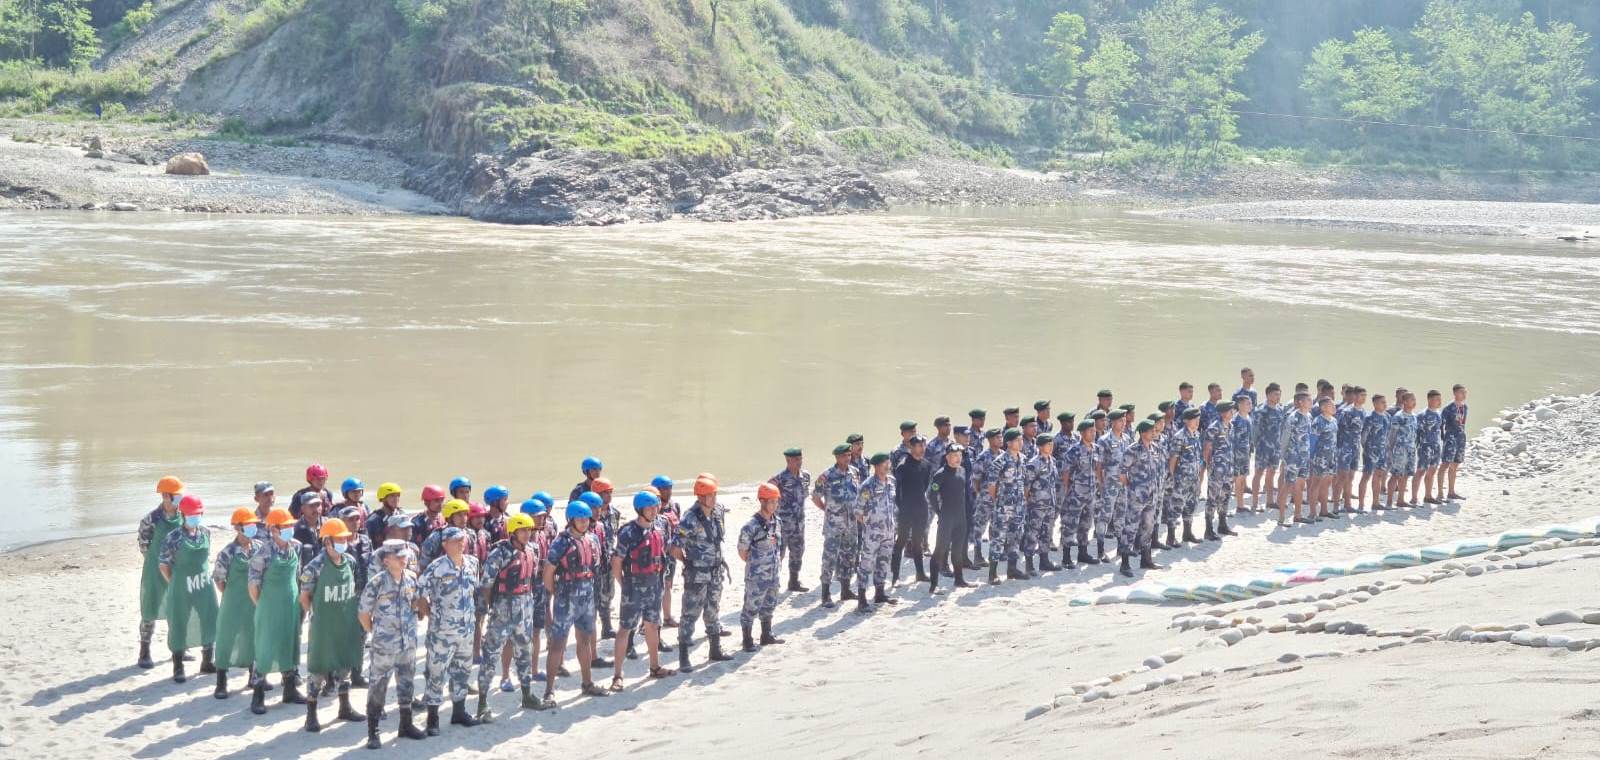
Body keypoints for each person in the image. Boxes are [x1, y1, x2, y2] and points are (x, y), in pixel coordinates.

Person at [359, 540, 429, 748]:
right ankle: (373, 731)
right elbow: (363, 613)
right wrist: (375, 631)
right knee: (378, 685)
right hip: (384, 645)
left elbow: (416, 603)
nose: (403, 558)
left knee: (406, 682)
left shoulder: (411, 579)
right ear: (386, 560)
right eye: (398, 556)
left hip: (407, 643)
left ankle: (405, 724)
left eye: (404, 555)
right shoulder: (377, 582)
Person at [299, 520, 366, 733]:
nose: (343, 542)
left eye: (345, 538)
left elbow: (354, 588)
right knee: (318, 667)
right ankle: (311, 713)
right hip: (323, 625)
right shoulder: (315, 566)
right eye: (339, 539)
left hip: (345, 622)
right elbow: (304, 597)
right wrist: (317, 614)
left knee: (344, 664)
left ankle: (344, 707)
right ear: (327, 541)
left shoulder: (350, 561)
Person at [475, 513, 543, 719]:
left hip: (525, 607)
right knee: (490, 655)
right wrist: (489, 608)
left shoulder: (533, 550)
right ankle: (482, 703)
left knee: (524, 651)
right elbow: (486, 584)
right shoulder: (499, 552)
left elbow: (532, 578)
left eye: (529, 530)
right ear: (513, 532)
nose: (527, 534)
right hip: (503, 608)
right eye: (523, 530)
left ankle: (527, 694)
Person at [417, 527, 482, 733]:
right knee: (437, 674)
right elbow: (420, 593)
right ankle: (433, 719)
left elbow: (474, 590)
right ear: (445, 544)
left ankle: (459, 712)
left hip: (466, 629)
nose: (460, 543)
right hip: (442, 632)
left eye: (462, 540)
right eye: (455, 541)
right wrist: (432, 614)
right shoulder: (436, 567)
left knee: (462, 671)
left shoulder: (473, 563)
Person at [541, 501, 604, 706]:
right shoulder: (561, 543)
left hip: (586, 598)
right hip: (566, 599)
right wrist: (556, 592)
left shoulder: (593, 539)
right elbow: (548, 572)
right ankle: (549, 690)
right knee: (558, 643)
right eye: (580, 519)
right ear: (571, 520)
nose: (584, 523)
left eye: (586, 519)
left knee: (584, 640)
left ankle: (587, 683)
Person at [612, 491, 677, 685]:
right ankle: (617, 675)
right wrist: (623, 584)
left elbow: (664, 552)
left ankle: (655, 667)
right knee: (625, 629)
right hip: (634, 587)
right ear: (640, 510)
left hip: (654, 586)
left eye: (656, 506)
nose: (654, 510)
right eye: (650, 507)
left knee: (652, 626)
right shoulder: (628, 532)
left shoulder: (659, 527)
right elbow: (617, 562)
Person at [249, 507, 306, 714]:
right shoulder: (262, 552)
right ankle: (258, 694)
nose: (289, 529)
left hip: (290, 604)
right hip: (269, 606)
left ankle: (290, 689)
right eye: (285, 527)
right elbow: (253, 585)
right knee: (265, 647)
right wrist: (262, 606)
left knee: (290, 643)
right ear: (273, 529)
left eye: (291, 525)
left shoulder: (297, 547)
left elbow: (297, 574)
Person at [676, 477, 734, 669]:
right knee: (690, 612)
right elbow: (675, 546)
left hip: (716, 570)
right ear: (700, 497)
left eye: (715, 494)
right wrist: (688, 562)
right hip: (697, 573)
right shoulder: (689, 518)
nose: (713, 498)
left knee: (713, 610)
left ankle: (715, 650)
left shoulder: (718, 512)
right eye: (710, 495)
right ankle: (684, 656)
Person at [160, 495, 218, 683]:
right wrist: (175, 582)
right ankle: (178, 667)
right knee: (179, 623)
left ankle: (207, 661)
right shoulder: (173, 537)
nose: (195, 516)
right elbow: (164, 564)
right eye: (191, 514)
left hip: (203, 585)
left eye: (198, 513)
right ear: (183, 515)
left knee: (209, 619)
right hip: (181, 587)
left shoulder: (206, 532)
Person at [212, 508, 263, 700]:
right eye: (248, 525)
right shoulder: (228, 552)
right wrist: (231, 595)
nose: (252, 528)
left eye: (253, 525)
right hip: (232, 602)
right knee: (226, 639)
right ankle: (221, 682)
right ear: (237, 528)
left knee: (253, 637)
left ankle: (253, 677)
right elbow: (219, 579)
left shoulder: (260, 547)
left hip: (254, 601)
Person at [138, 476, 185, 669]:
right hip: (155, 570)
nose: (179, 498)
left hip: (179, 568)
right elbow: (144, 544)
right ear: (165, 495)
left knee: (178, 608)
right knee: (150, 608)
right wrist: (155, 562)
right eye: (176, 495)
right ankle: (144, 651)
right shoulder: (152, 519)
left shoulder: (184, 515)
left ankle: (179, 648)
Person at [738, 483, 786, 649]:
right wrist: (756, 564)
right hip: (757, 575)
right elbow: (742, 551)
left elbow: (779, 545)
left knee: (769, 605)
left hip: (773, 572)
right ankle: (747, 640)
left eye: (776, 501)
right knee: (751, 607)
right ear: (762, 501)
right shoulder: (751, 526)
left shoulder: (777, 521)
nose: (774, 505)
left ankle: (766, 635)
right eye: (771, 501)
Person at [813, 444, 861, 608]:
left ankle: (845, 590)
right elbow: (816, 497)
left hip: (851, 524)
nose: (847, 458)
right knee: (829, 558)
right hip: (834, 525)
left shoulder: (854, 472)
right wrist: (826, 509)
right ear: (837, 457)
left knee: (849, 556)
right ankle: (825, 594)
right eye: (844, 456)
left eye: (849, 455)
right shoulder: (826, 476)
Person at [853, 453, 899, 611]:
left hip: (889, 531)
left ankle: (880, 593)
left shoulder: (892, 482)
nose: (887, 466)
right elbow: (858, 511)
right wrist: (870, 525)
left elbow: (893, 505)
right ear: (876, 466)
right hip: (873, 533)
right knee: (866, 565)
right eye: (884, 464)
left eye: (888, 463)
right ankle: (862, 599)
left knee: (884, 562)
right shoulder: (868, 485)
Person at [927, 444, 972, 592]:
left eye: (960, 455)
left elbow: (964, 494)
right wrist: (939, 512)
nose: (958, 458)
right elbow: (931, 495)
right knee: (940, 550)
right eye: (954, 455)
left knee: (958, 550)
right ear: (947, 457)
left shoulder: (962, 471)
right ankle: (933, 585)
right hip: (947, 517)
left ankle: (959, 580)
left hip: (961, 517)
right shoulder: (941, 474)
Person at [987, 428, 1029, 583]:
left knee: (1015, 537)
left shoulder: (1023, 459)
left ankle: (1012, 570)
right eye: (1018, 440)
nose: (1021, 442)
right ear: (1009, 443)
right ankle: (992, 574)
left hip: (1019, 507)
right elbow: (991, 486)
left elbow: (1024, 482)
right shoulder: (1000, 461)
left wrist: (1023, 500)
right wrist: (998, 501)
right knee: (998, 539)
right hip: (1003, 507)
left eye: (1021, 440)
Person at [769, 449, 812, 593]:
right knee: (777, 554)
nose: (799, 462)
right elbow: (767, 498)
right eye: (796, 460)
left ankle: (793, 582)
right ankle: (772, 584)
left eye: (800, 459)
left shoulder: (805, 476)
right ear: (788, 461)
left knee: (798, 552)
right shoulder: (779, 479)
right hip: (781, 525)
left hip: (799, 523)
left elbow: (804, 495)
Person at [1126, 420, 1166, 575]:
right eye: (1151, 431)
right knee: (1130, 528)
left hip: (1152, 495)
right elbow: (1123, 473)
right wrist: (1134, 488)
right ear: (1143, 433)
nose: (1154, 433)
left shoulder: (1155, 448)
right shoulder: (1132, 450)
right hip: (1137, 497)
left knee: (1148, 527)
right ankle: (1125, 562)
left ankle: (1146, 559)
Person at [891, 436, 931, 583]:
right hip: (906, 509)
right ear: (911, 447)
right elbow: (897, 490)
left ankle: (920, 573)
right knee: (901, 541)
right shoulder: (903, 465)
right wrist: (903, 508)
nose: (922, 448)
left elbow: (925, 485)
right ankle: (895, 576)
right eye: (919, 446)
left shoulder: (926, 465)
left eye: (923, 445)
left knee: (918, 541)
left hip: (921, 507)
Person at [1058, 421, 1097, 567]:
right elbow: (1066, 473)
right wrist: (1068, 491)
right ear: (1081, 433)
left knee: (1086, 524)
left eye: (1094, 431)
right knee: (1070, 525)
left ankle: (1083, 553)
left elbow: (1097, 470)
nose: (1093, 433)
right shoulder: (1073, 451)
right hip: (1076, 495)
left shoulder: (1096, 449)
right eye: (1090, 431)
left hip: (1090, 494)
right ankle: (1066, 557)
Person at [1094, 410, 1130, 564]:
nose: (1123, 423)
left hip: (1123, 485)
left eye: (1124, 420)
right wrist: (1101, 484)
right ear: (1112, 423)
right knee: (1105, 516)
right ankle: (1101, 550)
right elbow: (1099, 465)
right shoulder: (1104, 440)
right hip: (1109, 484)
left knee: (1121, 515)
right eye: (1120, 421)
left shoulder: (1127, 439)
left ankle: (1121, 547)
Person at [1023, 433, 1061, 573]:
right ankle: (1029, 564)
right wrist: (1028, 502)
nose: (1051, 446)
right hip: (1036, 506)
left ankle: (1044, 562)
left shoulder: (1052, 461)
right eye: (1047, 444)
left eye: (1052, 444)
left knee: (1046, 533)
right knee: (1032, 534)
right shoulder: (1034, 463)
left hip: (1050, 504)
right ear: (1040, 446)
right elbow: (1026, 486)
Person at [649, 476, 682, 627]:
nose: (668, 491)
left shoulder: (674, 506)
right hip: (654, 555)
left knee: (668, 584)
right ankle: (648, 622)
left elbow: (679, 528)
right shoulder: (650, 508)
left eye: (669, 488)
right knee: (653, 588)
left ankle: (667, 617)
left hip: (670, 553)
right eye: (664, 489)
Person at [1278, 392, 1313, 526]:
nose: (1311, 402)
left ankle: (1298, 515)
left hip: (1304, 457)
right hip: (1292, 457)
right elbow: (1285, 438)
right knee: (1288, 485)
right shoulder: (1293, 417)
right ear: (1300, 402)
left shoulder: (1309, 416)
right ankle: (1281, 517)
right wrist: (1283, 456)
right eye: (1308, 400)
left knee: (1300, 486)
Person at [968, 429, 1002, 569]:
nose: (1001, 440)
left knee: (996, 526)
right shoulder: (983, 457)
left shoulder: (1004, 455)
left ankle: (993, 555)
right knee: (979, 527)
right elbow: (975, 479)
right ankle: (977, 556)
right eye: (997, 438)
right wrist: (981, 494)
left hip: (1000, 498)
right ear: (990, 440)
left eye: (1001, 437)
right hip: (985, 498)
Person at [1387, 391, 1420, 509]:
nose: (1414, 402)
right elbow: (1392, 435)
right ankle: (1389, 502)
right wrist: (1390, 450)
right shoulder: (1398, 416)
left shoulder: (1415, 416)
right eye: (1412, 399)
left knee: (1406, 475)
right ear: (1405, 401)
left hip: (1411, 449)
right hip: (1399, 450)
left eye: (1414, 399)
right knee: (1396, 475)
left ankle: (1400, 500)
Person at [1336, 388, 1367, 512]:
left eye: (1365, 395)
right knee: (1342, 477)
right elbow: (1338, 430)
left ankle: (1347, 504)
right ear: (1354, 396)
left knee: (1351, 477)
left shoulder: (1363, 412)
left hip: (1355, 448)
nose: (1364, 398)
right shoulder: (1346, 412)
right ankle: (1336, 505)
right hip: (1344, 448)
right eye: (1361, 395)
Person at [1360, 394, 1393, 510]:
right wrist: (1368, 449)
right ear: (1375, 404)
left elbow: (1388, 434)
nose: (1385, 404)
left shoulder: (1387, 417)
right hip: (1371, 452)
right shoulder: (1370, 417)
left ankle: (1375, 502)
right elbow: (1363, 436)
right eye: (1382, 402)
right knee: (1366, 476)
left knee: (1379, 475)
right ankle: (1361, 505)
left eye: (1385, 402)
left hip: (1383, 451)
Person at [420, 498, 472, 568]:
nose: (464, 518)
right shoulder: (436, 537)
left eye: (465, 514)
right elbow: (424, 565)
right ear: (449, 518)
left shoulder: (470, 534)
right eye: (459, 515)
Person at [1310, 397, 1339, 519]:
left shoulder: (1334, 421)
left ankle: (1324, 510)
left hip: (1331, 457)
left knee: (1327, 483)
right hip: (1320, 457)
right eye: (1331, 405)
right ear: (1323, 408)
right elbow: (1312, 441)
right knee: (1316, 483)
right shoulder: (1318, 422)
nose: (1334, 407)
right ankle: (1312, 512)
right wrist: (1311, 457)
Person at [1438, 384, 1469, 500]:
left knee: (1455, 465)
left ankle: (1451, 492)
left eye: (1465, 392)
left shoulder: (1465, 407)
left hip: (1460, 438)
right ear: (1456, 393)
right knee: (1445, 464)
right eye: (1462, 392)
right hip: (1450, 438)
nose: (1465, 394)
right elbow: (1441, 424)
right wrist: (1443, 437)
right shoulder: (1448, 408)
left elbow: (1463, 422)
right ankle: (1440, 493)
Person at [1417, 390, 1444, 505]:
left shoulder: (1438, 414)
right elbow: (1416, 432)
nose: (1439, 402)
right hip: (1425, 447)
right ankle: (1414, 497)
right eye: (1437, 399)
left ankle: (1428, 496)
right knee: (1420, 472)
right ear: (1429, 400)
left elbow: (1440, 430)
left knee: (1432, 471)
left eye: (1440, 399)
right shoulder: (1422, 415)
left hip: (1436, 447)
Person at [1229, 394, 1255, 515]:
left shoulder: (1248, 418)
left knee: (1243, 478)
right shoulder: (1235, 421)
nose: (1250, 406)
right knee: (1238, 479)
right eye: (1247, 403)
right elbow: (1230, 440)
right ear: (1239, 405)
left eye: (1250, 403)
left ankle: (1240, 504)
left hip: (1245, 454)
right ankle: (1239, 505)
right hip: (1236, 455)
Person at [293, 492, 327, 566]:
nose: (316, 509)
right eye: (311, 506)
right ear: (303, 509)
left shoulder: (329, 525)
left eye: (318, 505)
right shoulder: (295, 529)